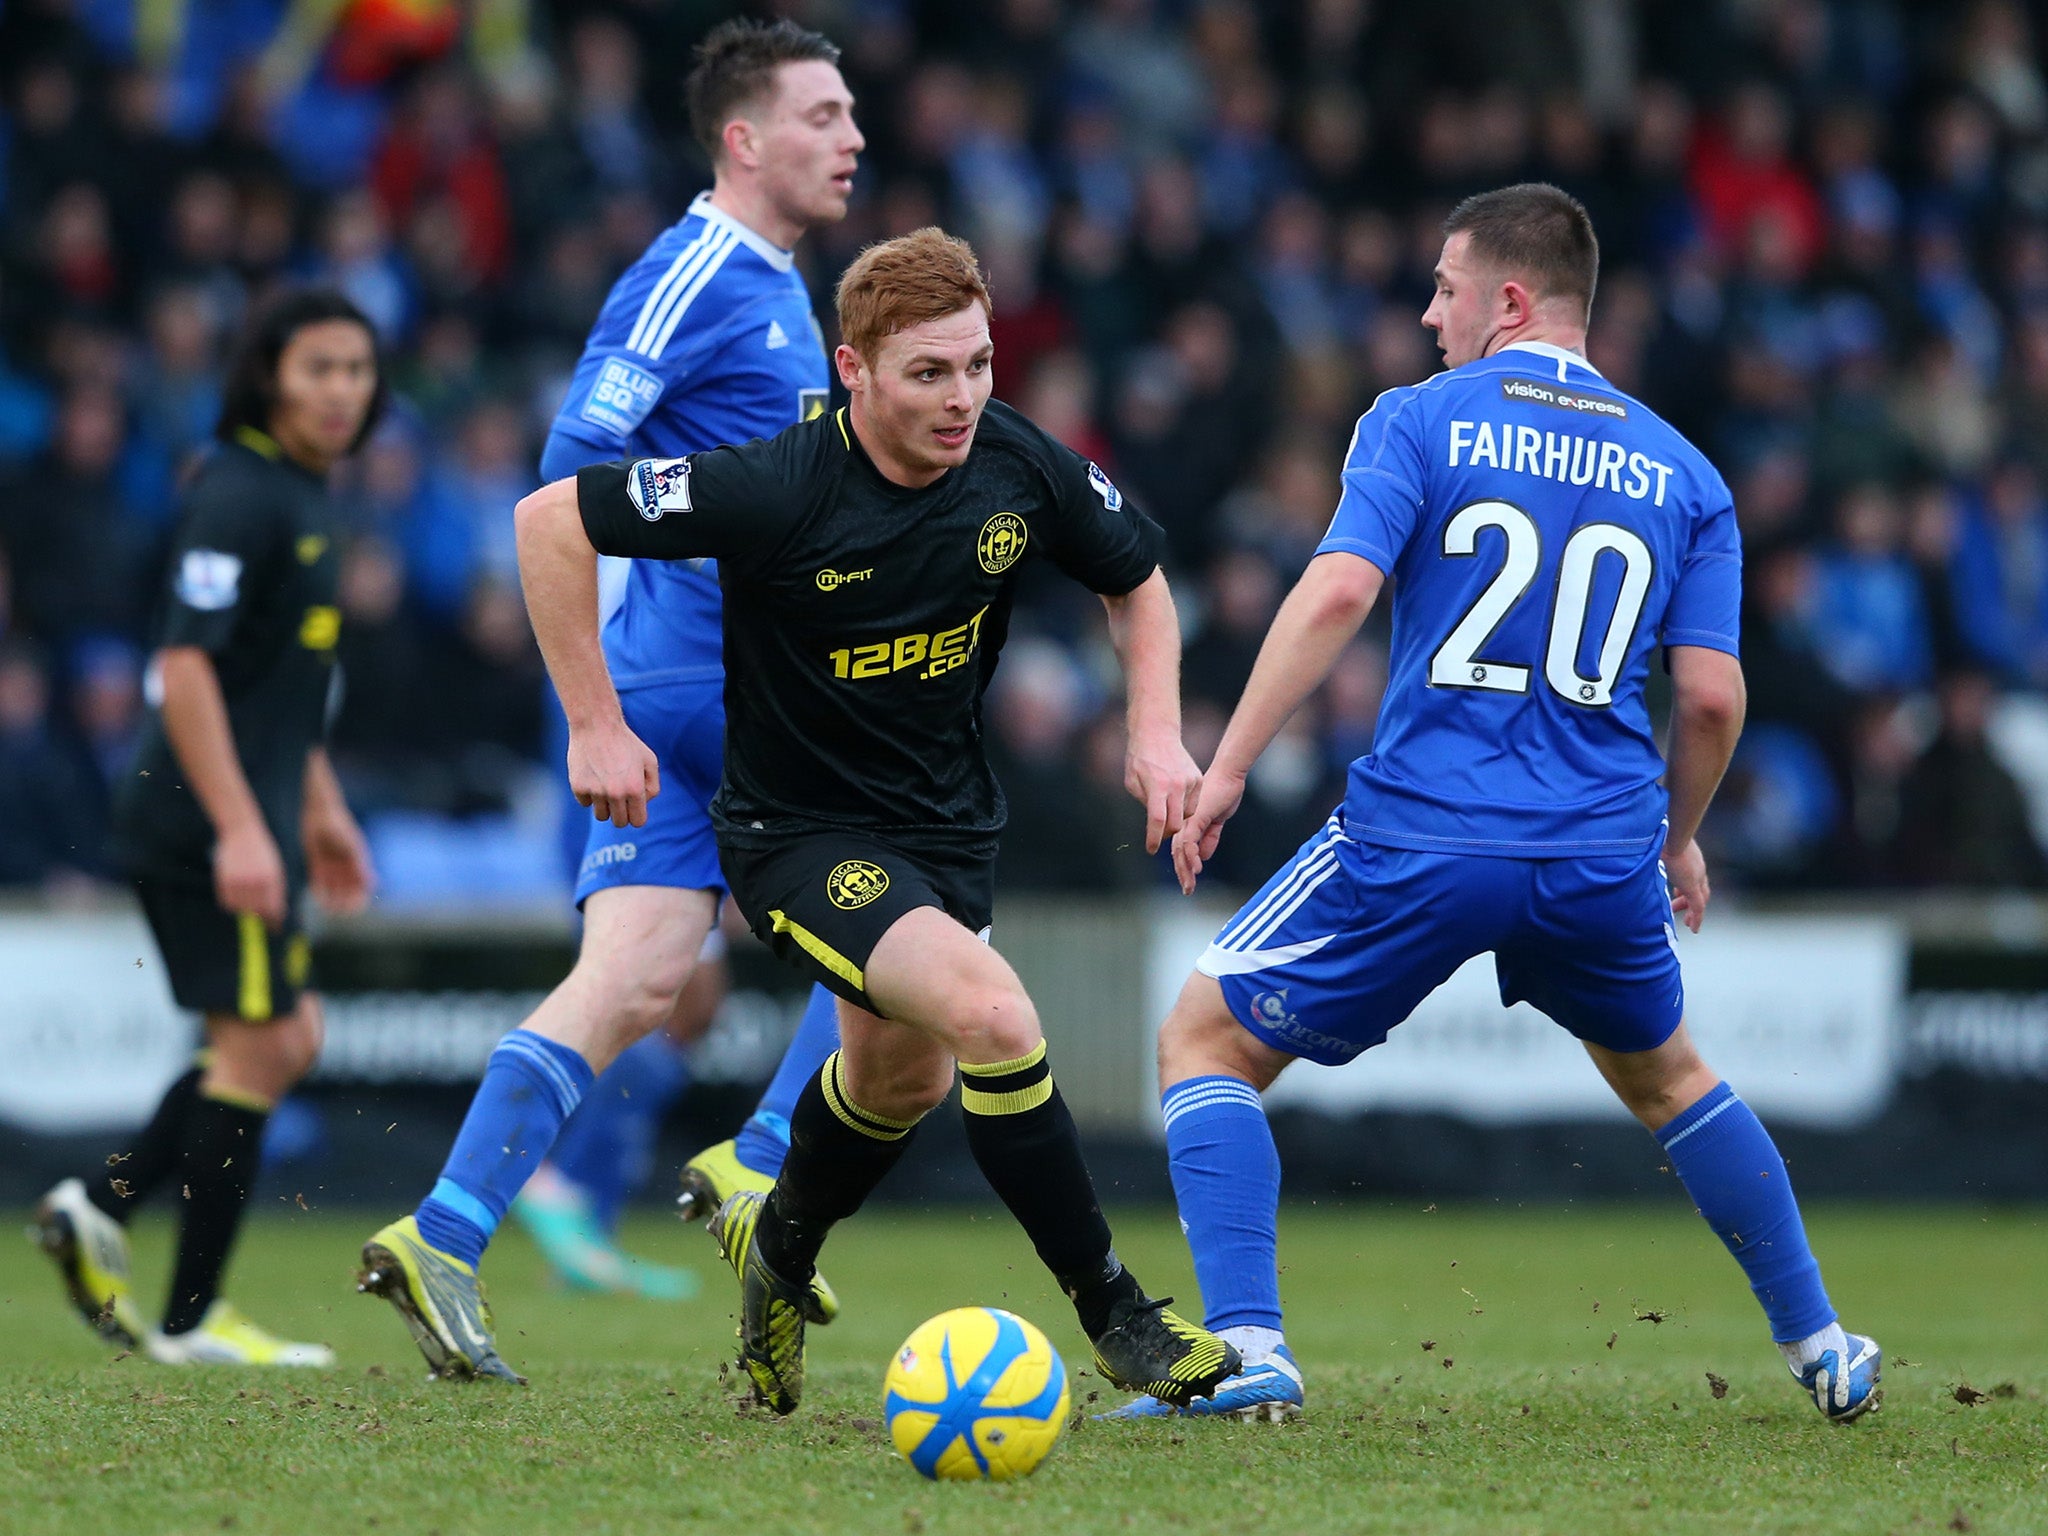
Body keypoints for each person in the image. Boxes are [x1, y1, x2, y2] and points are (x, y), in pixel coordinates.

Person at [1110, 184, 1880, 1424]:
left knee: (1203, 1042)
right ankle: (1822, 1343)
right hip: (1594, 849)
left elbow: (1331, 596)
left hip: (1421, 830)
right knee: (1671, 1080)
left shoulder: (1415, 420)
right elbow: (1711, 701)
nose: (1426, 315)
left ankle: (1250, 1351)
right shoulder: (1683, 470)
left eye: (1442, 288)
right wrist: (1676, 839)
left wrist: (1232, 760)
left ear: (1507, 301)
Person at [465, 226, 1241, 1414]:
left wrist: (1151, 731)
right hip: (796, 839)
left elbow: (1135, 581)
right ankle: (1115, 1313)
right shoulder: (774, 483)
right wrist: (592, 722)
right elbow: (547, 522)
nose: (962, 397)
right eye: (929, 373)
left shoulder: (1014, 463)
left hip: (942, 835)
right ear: (852, 369)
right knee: (992, 1014)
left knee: (896, 1086)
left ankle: (776, 1254)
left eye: (978, 365)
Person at [358, 18, 862, 1346]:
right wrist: (589, 715)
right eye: (821, 116)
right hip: (710, 689)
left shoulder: (775, 286)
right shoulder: (697, 274)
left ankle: (443, 1231)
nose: (852, 138)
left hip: (697, 688)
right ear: (744, 140)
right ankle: (759, 1164)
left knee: (636, 978)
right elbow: (562, 485)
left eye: (853, 114)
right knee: (927, 914)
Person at [32, 289, 382, 1367]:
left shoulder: (304, 497)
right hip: (199, 821)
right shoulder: (237, 494)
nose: (341, 391)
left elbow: (280, 696)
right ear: (268, 375)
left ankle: (102, 1209)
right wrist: (240, 830)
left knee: (284, 1038)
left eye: (358, 370)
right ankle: (185, 1313)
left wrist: (319, 816)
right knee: (267, 1042)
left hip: (255, 816)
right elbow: (183, 667)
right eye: (318, 368)